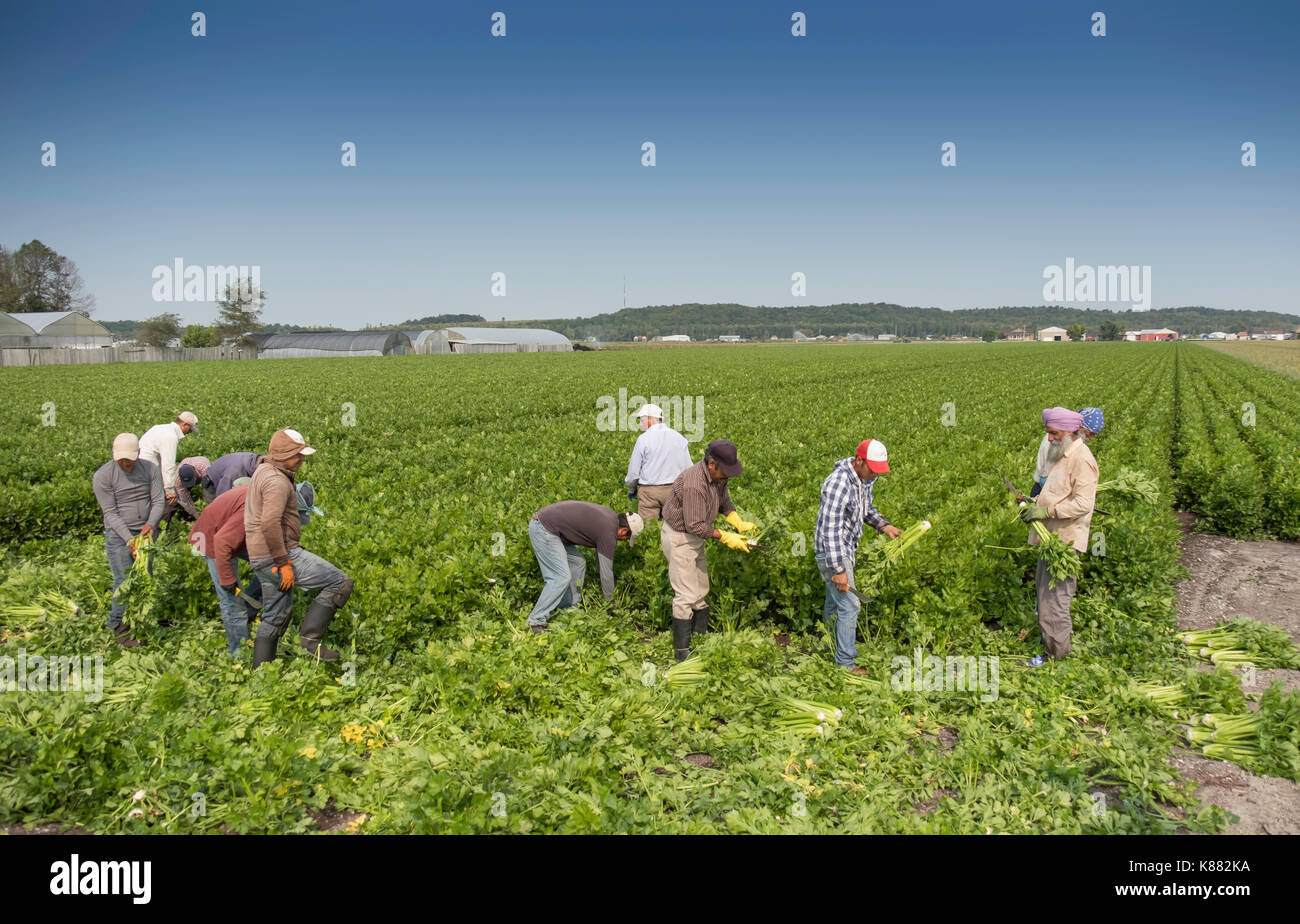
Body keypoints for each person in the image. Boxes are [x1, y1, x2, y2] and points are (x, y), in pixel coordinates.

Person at [244, 428, 352, 667]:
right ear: (282, 455)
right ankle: (310, 642)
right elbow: (269, 522)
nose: (302, 459)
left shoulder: (263, 469)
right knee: (340, 582)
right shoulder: (276, 482)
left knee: (274, 617)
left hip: (260, 558)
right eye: (297, 455)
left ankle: (262, 673)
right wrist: (284, 564)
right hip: (278, 556)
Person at [190, 481, 322, 657]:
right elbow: (222, 542)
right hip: (213, 537)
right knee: (231, 602)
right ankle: (240, 654)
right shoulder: (256, 506)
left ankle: (250, 609)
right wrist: (227, 579)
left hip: (239, 534)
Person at [660, 439, 754, 661]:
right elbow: (694, 525)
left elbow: (724, 501)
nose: (728, 476)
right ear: (711, 463)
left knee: (701, 589)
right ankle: (682, 654)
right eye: (726, 471)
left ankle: (698, 641)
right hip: (681, 537)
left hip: (696, 537)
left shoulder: (718, 477)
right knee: (685, 594)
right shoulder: (694, 483)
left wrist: (735, 519)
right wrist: (724, 536)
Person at [814, 439, 902, 672]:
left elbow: (866, 510)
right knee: (851, 604)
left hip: (845, 549)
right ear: (859, 460)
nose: (876, 474)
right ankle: (845, 664)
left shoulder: (865, 480)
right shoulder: (838, 483)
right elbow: (829, 530)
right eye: (872, 468)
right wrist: (838, 569)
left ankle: (830, 648)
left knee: (835, 603)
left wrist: (884, 526)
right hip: (833, 551)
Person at [1021, 407, 1099, 665]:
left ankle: (1057, 657)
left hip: (1064, 541)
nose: (1050, 438)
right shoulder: (1063, 455)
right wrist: (1035, 503)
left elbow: (1082, 505)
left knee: (1055, 599)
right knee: (1046, 596)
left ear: (1070, 432)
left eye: (1054, 434)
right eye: (1049, 433)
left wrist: (1046, 510)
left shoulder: (1082, 459)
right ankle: (1053, 649)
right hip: (1052, 538)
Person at [91, 433, 163, 647]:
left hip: (147, 532)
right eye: (121, 459)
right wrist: (129, 540)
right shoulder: (103, 476)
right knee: (123, 581)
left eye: (129, 459)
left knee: (144, 578)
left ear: (138, 453)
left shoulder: (150, 469)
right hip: (118, 535)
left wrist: (151, 524)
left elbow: (158, 500)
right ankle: (118, 626)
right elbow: (110, 513)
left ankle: (140, 621)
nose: (125, 463)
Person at [526, 502, 643, 632]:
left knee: (578, 563)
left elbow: (601, 563)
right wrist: (610, 602)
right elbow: (606, 573)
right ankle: (536, 621)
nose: (624, 540)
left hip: (554, 530)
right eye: (627, 538)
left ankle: (569, 607)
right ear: (624, 530)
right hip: (544, 528)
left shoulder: (610, 518)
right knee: (560, 577)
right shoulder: (608, 533)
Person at [625, 403, 691, 521]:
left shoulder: (643, 439)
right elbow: (689, 468)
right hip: (674, 490)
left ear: (650, 420)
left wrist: (631, 489)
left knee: (647, 529)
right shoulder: (679, 437)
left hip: (650, 492)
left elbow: (634, 472)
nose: (640, 424)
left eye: (641, 420)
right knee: (674, 528)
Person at [1030, 407, 1103, 498]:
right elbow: (1046, 476)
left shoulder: (1069, 442)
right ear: (1080, 427)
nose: (1092, 438)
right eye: (1091, 433)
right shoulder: (1055, 443)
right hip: (1044, 490)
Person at [138, 411, 198, 507]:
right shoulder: (170, 436)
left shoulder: (159, 427)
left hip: (139, 467)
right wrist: (169, 489)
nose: (190, 432)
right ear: (184, 424)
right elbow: (168, 465)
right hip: (147, 472)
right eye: (190, 428)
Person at [160, 455, 211, 525]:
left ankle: (212, 516)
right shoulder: (177, 481)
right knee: (173, 500)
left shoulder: (205, 467)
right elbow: (185, 500)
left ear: (195, 473)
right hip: (180, 481)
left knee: (209, 495)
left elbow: (210, 488)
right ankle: (162, 527)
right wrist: (197, 516)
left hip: (203, 470)